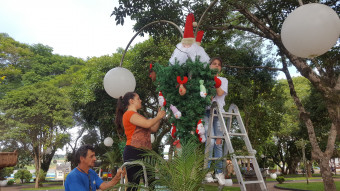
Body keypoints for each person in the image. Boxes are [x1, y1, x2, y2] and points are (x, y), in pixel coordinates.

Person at [115, 92, 166, 191]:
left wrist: (158, 116)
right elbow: (147, 124)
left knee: (151, 183)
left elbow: (154, 128)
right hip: (133, 151)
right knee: (134, 184)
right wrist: (158, 117)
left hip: (146, 152)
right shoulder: (129, 114)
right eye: (138, 98)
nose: (141, 100)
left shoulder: (138, 116)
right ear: (131, 101)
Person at [203, 57, 228, 186]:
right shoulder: (204, 80)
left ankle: (219, 172)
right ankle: (207, 172)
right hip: (207, 112)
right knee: (210, 142)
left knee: (218, 142)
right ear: (209, 66)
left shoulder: (223, 80)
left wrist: (214, 80)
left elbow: (219, 93)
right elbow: (204, 96)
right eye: (214, 64)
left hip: (218, 112)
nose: (216, 66)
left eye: (218, 64)